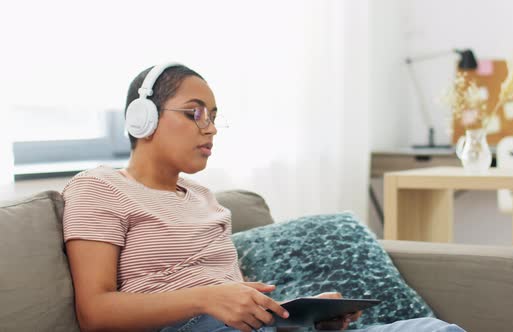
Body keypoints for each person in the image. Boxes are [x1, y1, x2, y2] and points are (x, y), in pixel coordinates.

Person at [62, 63, 465, 332]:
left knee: (435, 330)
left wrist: (299, 312)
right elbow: (94, 312)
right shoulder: (99, 188)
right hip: (187, 327)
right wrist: (208, 298)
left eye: (214, 116)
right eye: (195, 113)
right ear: (142, 118)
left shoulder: (205, 199)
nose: (211, 129)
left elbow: (227, 295)